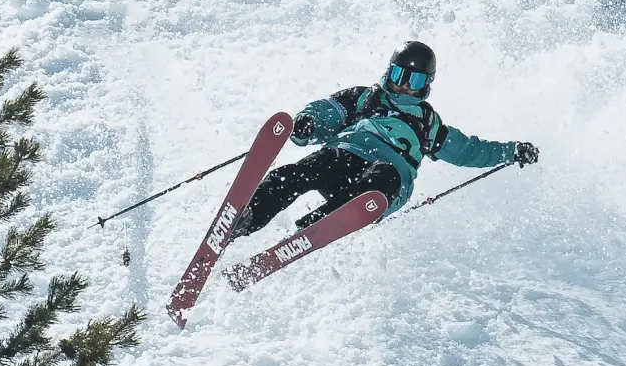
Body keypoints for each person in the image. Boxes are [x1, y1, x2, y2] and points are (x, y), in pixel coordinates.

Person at [230, 41, 539, 239]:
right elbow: (327, 112)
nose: (404, 86)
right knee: (305, 169)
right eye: (399, 75)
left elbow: (468, 150)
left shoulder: (428, 123)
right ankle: (249, 215)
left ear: (426, 84)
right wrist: (308, 124)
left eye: (414, 80)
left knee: (383, 175)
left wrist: (511, 151)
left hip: (388, 175)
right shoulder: (365, 97)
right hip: (345, 154)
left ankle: (316, 227)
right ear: (388, 72)